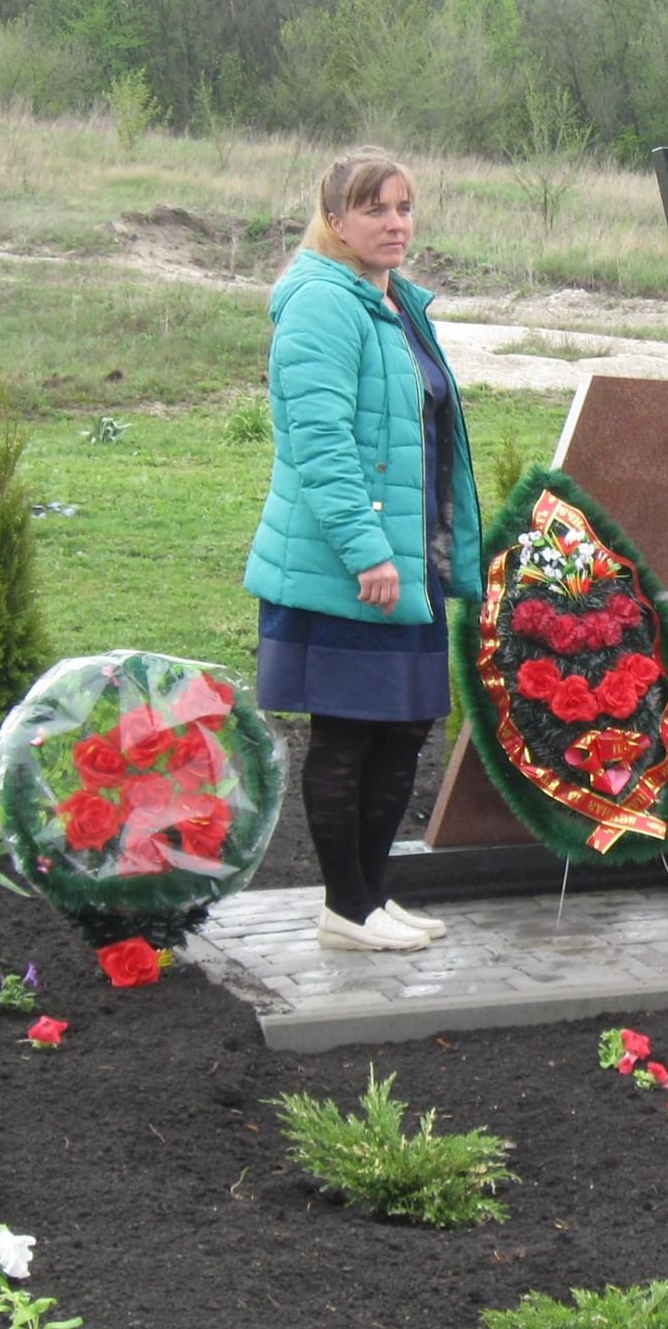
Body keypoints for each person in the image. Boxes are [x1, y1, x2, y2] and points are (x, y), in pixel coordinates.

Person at [243, 148, 483, 950]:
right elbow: (321, 443)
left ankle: (372, 898)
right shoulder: (321, 303)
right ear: (335, 219)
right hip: (353, 568)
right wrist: (365, 550)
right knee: (348, 734)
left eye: (405, 207)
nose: (395, 223)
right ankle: (345, 908)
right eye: (375, 208)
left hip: (407, 562)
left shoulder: (396, 302)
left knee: (403, 726)